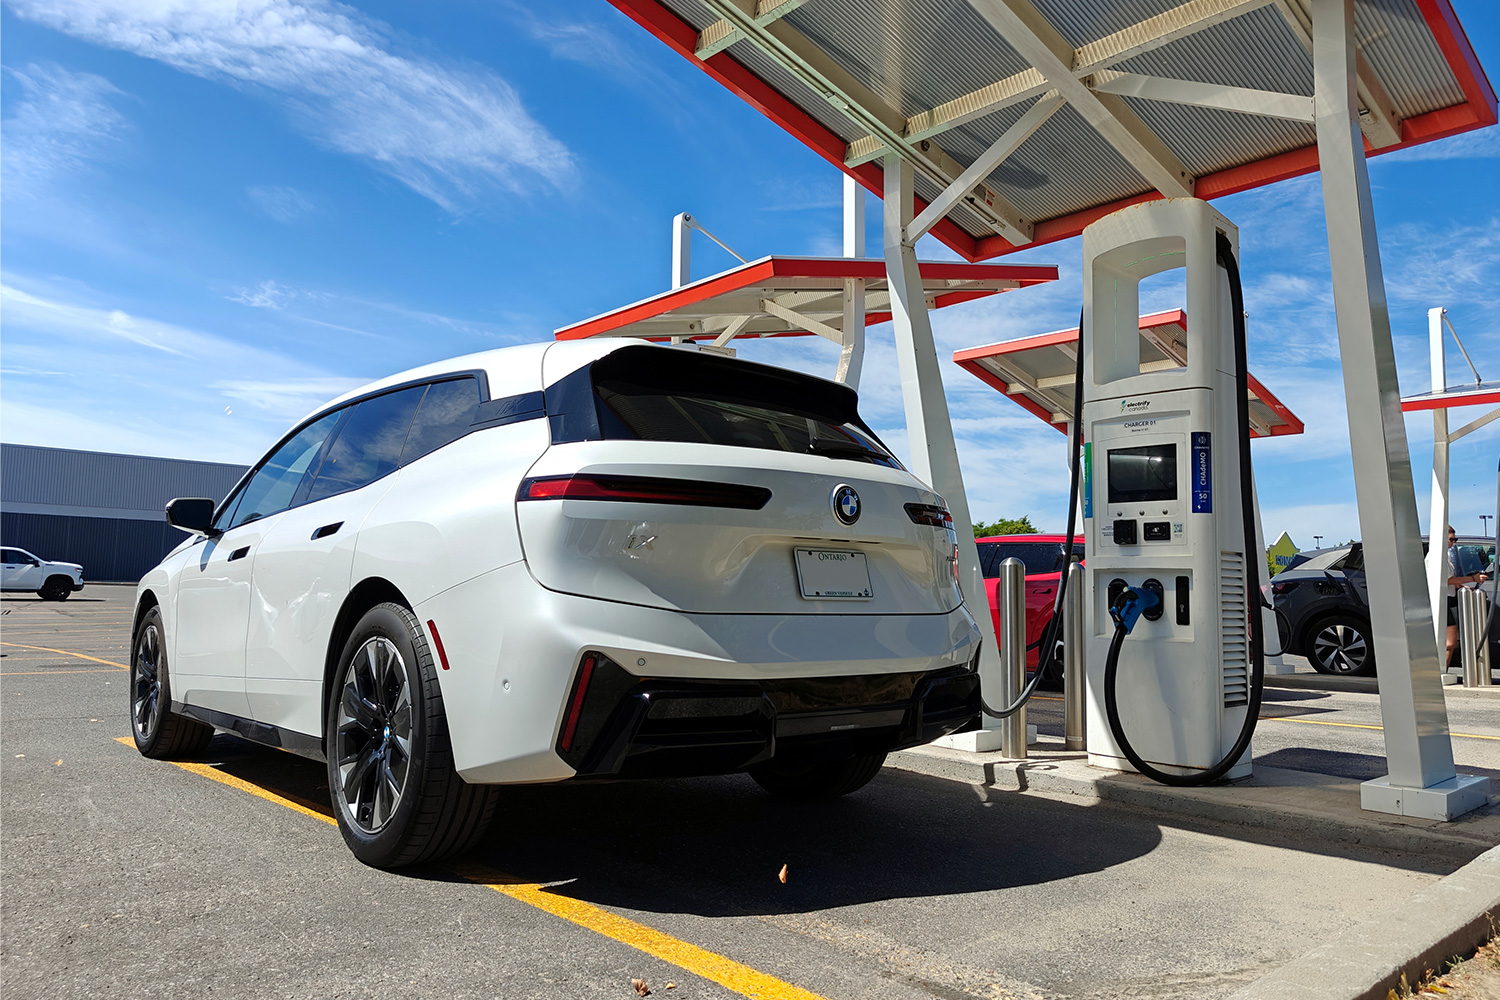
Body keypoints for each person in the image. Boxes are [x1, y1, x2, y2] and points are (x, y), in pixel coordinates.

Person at [1446, 525, 1490, 667]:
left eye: (1455, 540)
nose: (1453, 543)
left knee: (1449, 643)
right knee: (1450, 643)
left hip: (1449, 599)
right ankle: (1440, 675)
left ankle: (1441, 673)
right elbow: (1446, 580)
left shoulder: (1446, 556)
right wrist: (1473, 579)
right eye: (1451, 540)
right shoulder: (1437, 557)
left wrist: (1461, 585)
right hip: (1442, 601)